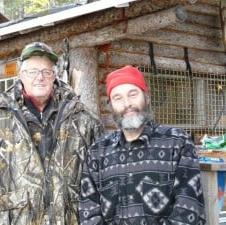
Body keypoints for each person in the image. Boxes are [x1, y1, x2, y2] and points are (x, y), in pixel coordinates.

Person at [0, 42, 104, 225]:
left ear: (55, 75)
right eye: (32, 71)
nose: (40, 77)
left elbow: (103, 182)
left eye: (46, 72)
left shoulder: (86, 121)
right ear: (21, 75)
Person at [79, 66, 206, 225]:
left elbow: (190, 209)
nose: (127, 104)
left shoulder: (177, 142)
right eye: (118, 98)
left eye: (133, 94)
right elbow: (88, 211)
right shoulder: (97, 152)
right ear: (110, 106)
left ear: (147, 97)